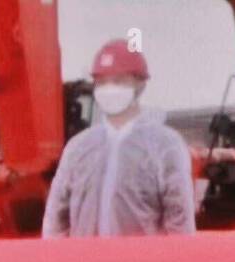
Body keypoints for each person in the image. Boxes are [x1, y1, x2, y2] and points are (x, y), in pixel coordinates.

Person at [41, 39, 195, 238]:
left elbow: (179, 220)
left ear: (140, 85)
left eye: (119, 81)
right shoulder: (78, 148)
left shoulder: (165, 146)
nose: (109, 89)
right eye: (102, 82)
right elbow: (56, 218)